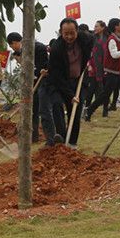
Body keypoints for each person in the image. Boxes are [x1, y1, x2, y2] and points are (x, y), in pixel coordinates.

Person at [39, 18, 93, 148]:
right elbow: (57, 78)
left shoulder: (86, 39)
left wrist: (88, 63)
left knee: (75, 109)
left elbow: (94, 42)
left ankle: (72, 142)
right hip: (59, 82)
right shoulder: (56, 49)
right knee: (57, 104)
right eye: (65, 33)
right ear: (60, 32)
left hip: (78, 80)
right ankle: (62, 138)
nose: (69, 36)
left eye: (72, 33)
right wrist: (70, 95)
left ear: (77, 31)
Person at [7, 32, 49, 143]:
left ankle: (44, 136)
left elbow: (41, 67)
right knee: (31, 109)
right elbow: (27, 68)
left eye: (11, 45)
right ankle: (32, 136)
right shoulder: (21, 52)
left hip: (42, 82)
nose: (12, 48)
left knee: (39, 109)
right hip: (32, 83)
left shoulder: (38, 47)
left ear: (15, 42)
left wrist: (37, 75)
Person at [82, 21, 106, 113]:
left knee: (103, 89)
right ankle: (87, 107)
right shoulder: (92, 38)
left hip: (104, 67)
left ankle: (105, 109)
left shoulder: (106, 39)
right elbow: (88, 53)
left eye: (97, 26)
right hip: (93, 67)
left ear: (103, 27)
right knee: (91, 88)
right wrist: (89, 65)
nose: (95, 28)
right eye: (94, 26)